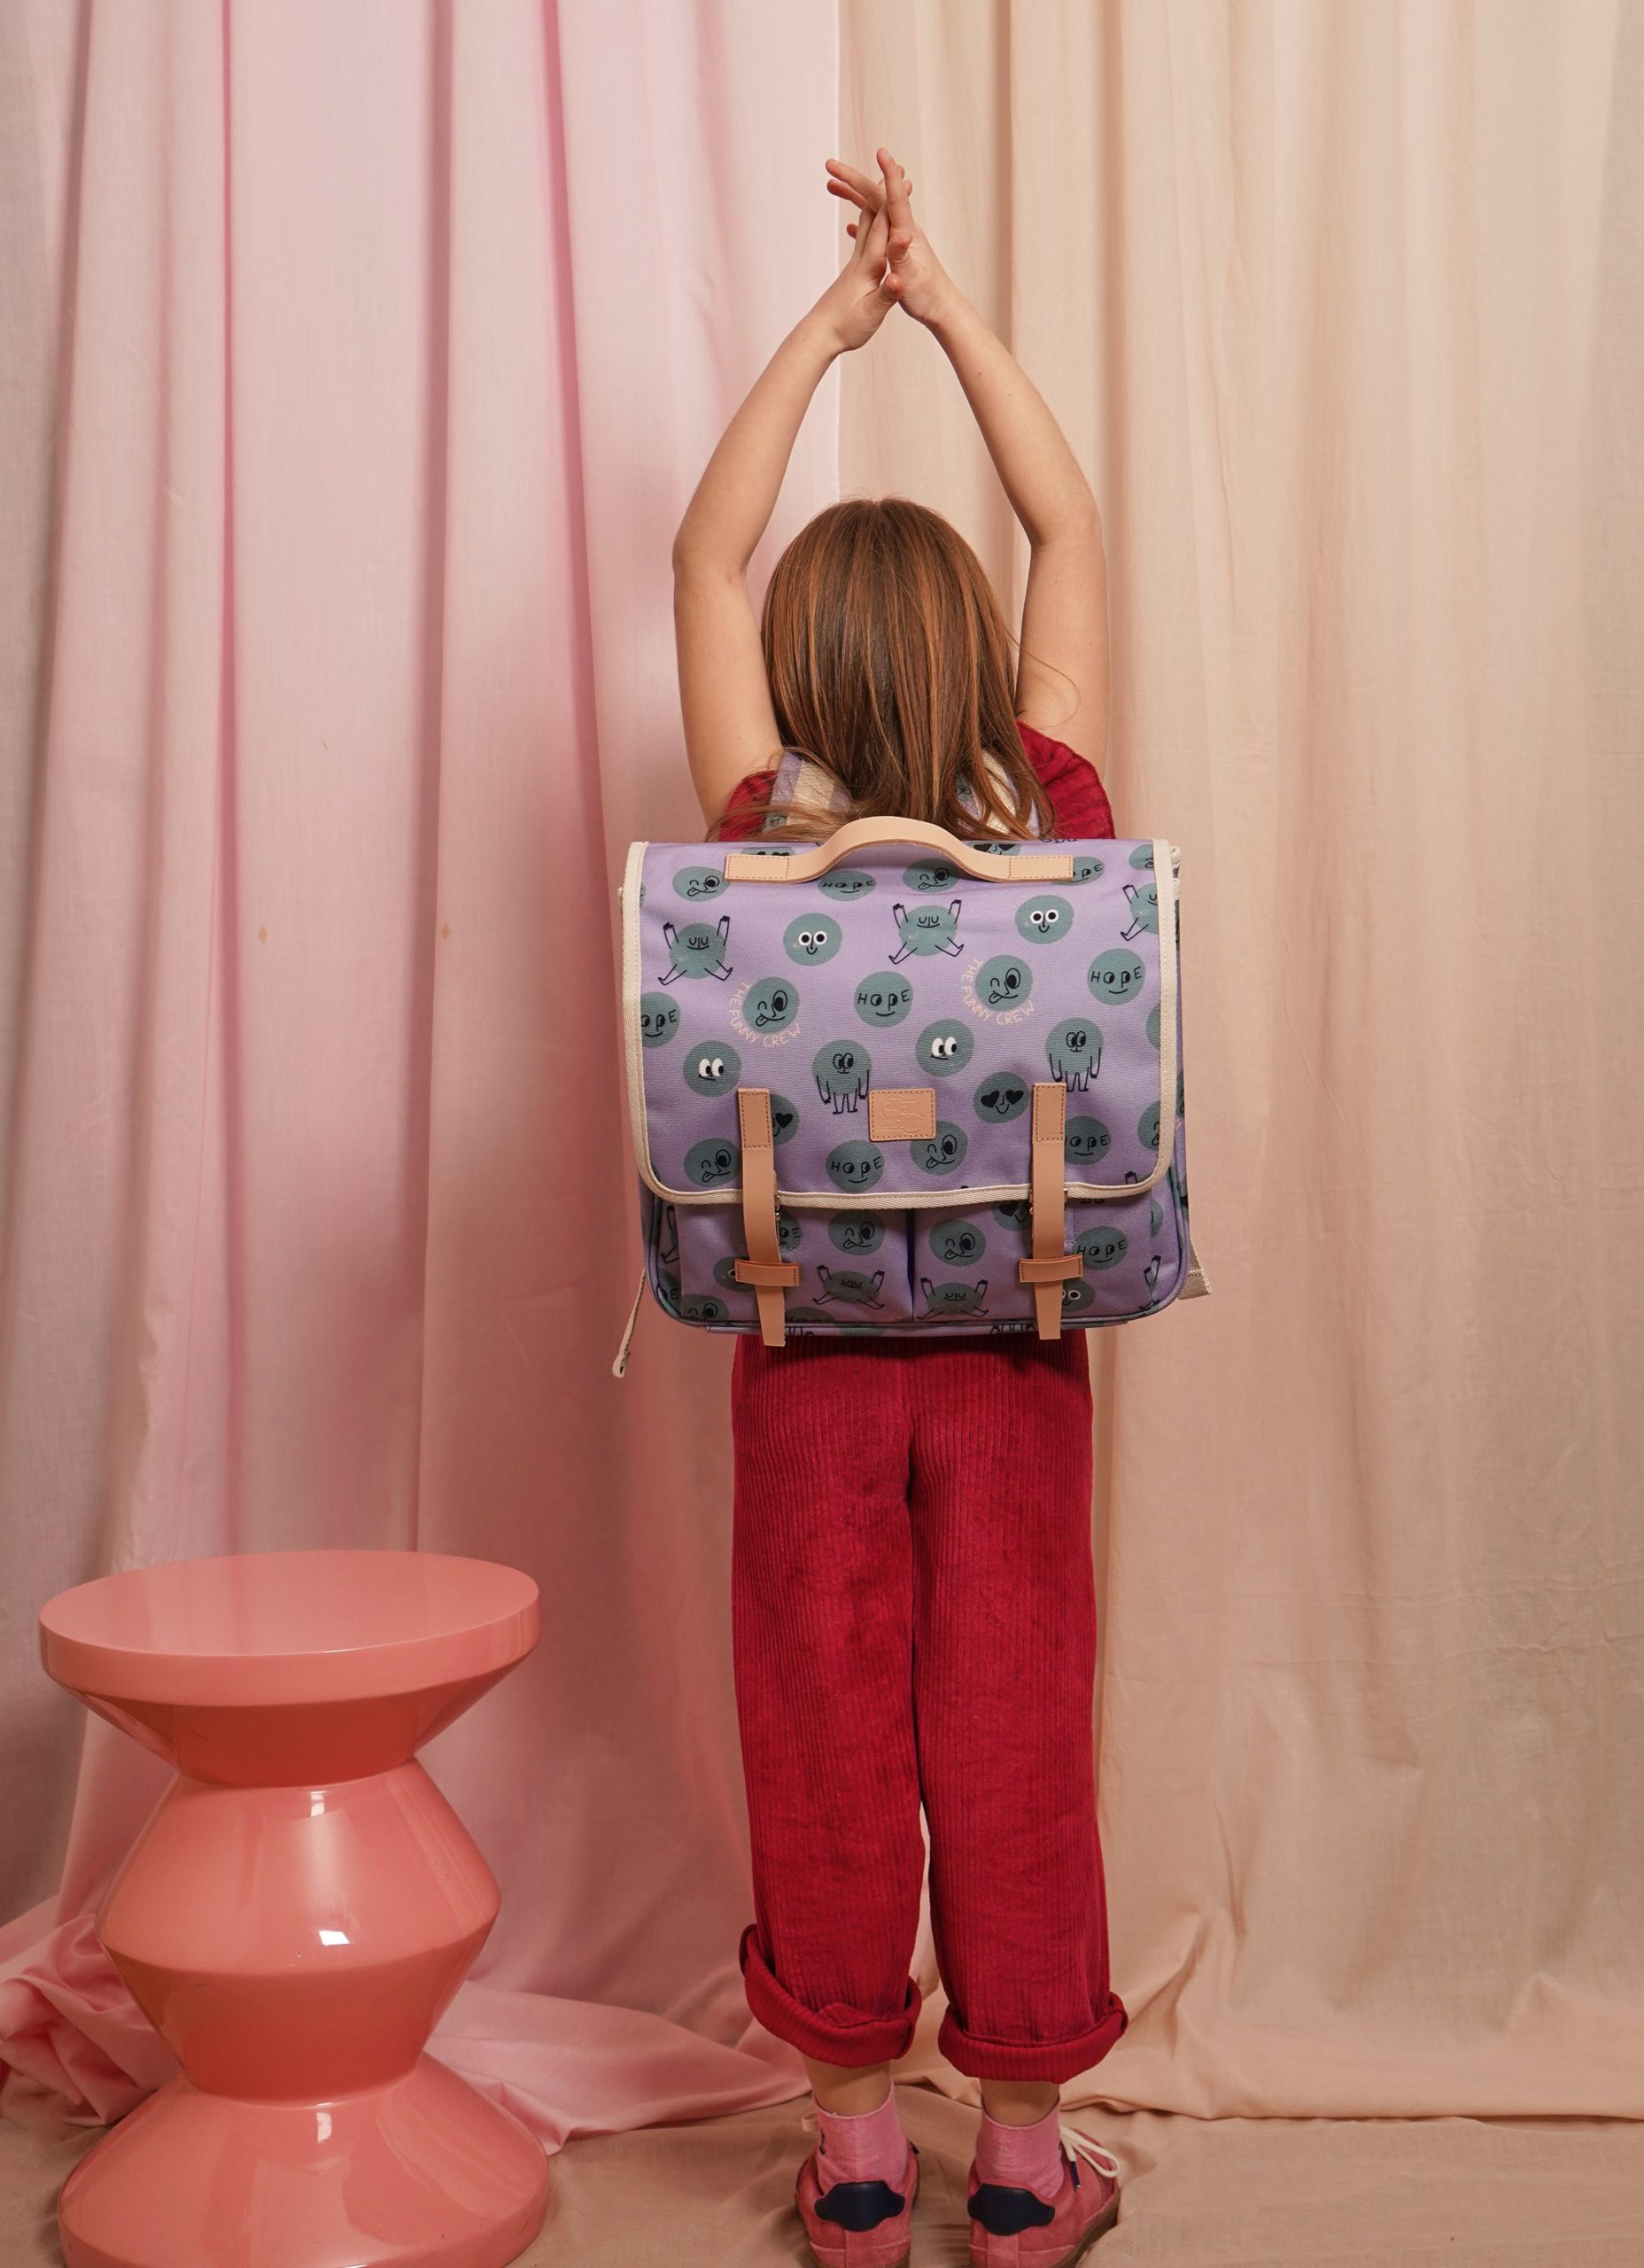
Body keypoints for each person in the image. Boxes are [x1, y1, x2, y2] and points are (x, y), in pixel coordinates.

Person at [671, 145, 1126, 2268]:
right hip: (1014, 1343)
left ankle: (855, 2157)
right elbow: (1070, 526)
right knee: (1014, 1722)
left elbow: (704, 547)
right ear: (969, 658)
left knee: (823, 1716)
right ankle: (1022, 2164)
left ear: (798, 670)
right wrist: (939, 308)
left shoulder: (760, 829)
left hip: (807, 1348)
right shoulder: (1043, 811)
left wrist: (828, 328)